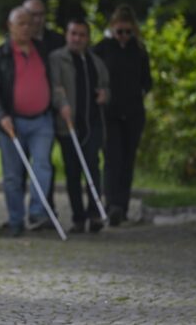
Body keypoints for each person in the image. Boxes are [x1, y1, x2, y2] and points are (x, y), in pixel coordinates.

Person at [0, 7, 55, 237]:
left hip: (42, 120)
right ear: (10, 26)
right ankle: (16, 220)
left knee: (42, 165)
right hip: (10, 122)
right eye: (21, 23)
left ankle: (36, 211)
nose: (26, 27)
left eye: (29, 23)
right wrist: (0, 115)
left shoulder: (42, 50)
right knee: (13, 175)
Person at [93, 5, 152, 226]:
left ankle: (123, 206)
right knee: (112, 159)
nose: (124, 36)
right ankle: (111, 205)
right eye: (120, 31)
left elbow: (147, 80)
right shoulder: (102, 48)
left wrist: (140, 93)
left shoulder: (139, 50)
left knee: (128, 160)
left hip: (134, 113)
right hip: (110, 114)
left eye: (128, 32)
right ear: (112, 29)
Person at [49, 19, 110, 233]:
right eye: (73, 33)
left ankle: (95, 214)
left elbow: (105, 86)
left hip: (92, 123)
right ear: (67, 35)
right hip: (69, 125)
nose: (77, 38)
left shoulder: (95, 61)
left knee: (93, 166)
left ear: (88, 37)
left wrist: (104, 95)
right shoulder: (57, 59)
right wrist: (62, 104)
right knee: (73, 171)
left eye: (82, 35)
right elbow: (55, 86)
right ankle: (78, 217)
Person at [23, 0, 65, 216]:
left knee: (43, 163)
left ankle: (43, 210)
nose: (37, 19)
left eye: (41, 14)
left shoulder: (57, 40)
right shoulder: (17, 42)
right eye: (32, 14)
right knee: (20, 167)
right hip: (19, 114)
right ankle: (19, 215)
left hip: (49, 112)